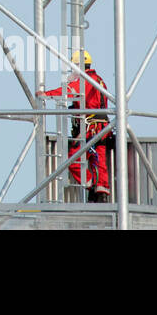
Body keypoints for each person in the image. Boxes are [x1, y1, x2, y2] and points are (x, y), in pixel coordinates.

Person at [41, 51, 111, 203]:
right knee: (99, 160)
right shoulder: (99, 80)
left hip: (91, 127)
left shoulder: (85, 80)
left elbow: (68, 91)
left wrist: (46, 94)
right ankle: (101, 191)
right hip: (103, 127)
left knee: (73, 157)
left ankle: (90, 185)